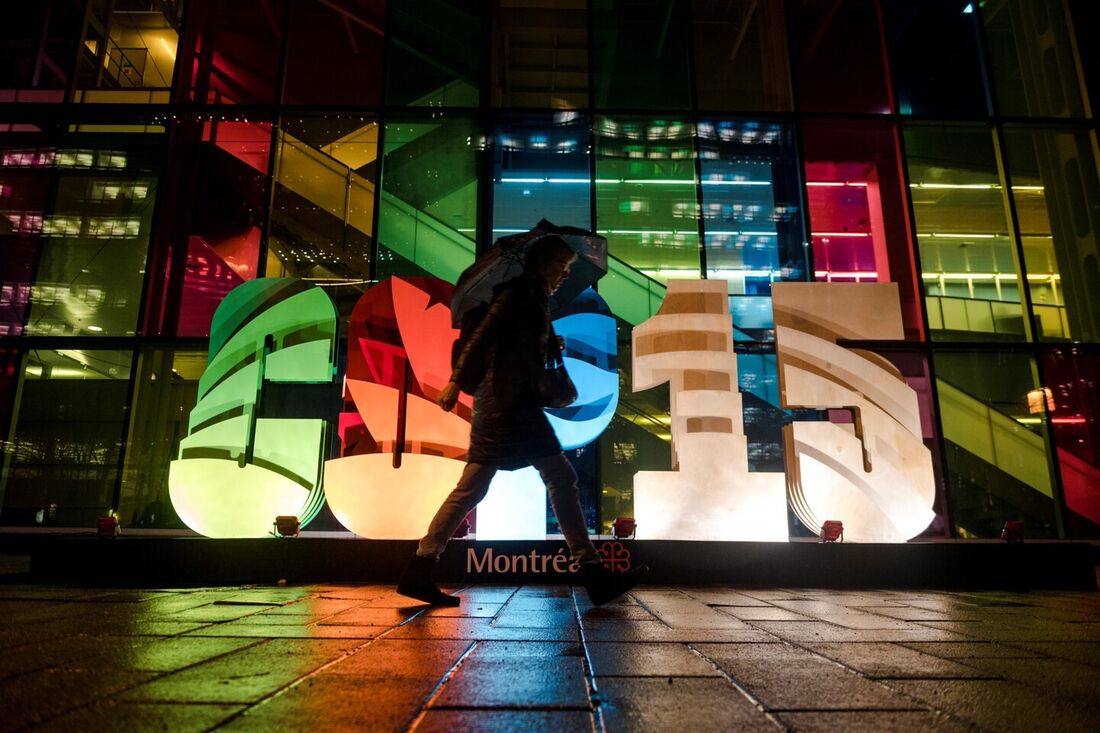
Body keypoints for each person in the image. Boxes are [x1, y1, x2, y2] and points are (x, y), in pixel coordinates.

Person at [396, 235, 645, 606]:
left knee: (475, 488)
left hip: (505, 404)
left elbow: (513, 346)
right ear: (544, 263)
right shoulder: (520, 294)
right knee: (558, 478)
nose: (564, 275)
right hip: (510, 406)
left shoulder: (534, 298)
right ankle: (592, 573)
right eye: (562, 266)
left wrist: (548, 344)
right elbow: (483, 337)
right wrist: (455, 382)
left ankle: (419, 568)